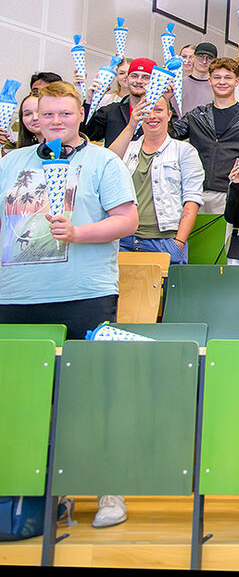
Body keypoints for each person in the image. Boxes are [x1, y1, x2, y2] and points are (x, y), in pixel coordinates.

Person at [0, 83, 137, 529]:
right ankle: (40, 495)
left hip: (83, 293)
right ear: (34, 119)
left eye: (64, 113)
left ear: (81, 114)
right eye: (46, 115)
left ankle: (107, 488)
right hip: (17, 296)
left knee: (94, 396)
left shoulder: (103, 161)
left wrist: (77, 233)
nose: (55, 121)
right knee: (26, 402)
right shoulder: (11, 163)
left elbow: (127, 220)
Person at [169, 58, 239, 264]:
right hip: (197, 192)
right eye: (217, 77)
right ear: (209, 81)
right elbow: (171, 135)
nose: (222, 82)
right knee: (197, 251)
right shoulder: (196, 115)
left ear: (237, 81)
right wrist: (166, 100)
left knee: (224, 255)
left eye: (228, 77)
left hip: (234, 194)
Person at [112, 95, 203, 265]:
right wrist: (132, 125)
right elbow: (107, 163)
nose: (152, 116)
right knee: (125, 292)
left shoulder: (184, 151)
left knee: (167, 292)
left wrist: (179, 243)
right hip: (124, 240)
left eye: (159, 110)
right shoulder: (128, 148)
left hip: (165, 242)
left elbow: (192, 200)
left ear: (169, 115)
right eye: (147, 111)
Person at [87, 57, 156, 147]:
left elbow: (176, 135)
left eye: (146, 77)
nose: (139, 81)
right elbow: (87, 133)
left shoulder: (159, 113)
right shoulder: (111, 111)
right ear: (127, 79)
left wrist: (166, 98)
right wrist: (89, 101)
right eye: (134, 76)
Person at [181, 42, 218, 113]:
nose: (204, 61)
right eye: (200, 56)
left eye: (209, 58)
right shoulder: (179, 84)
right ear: (193, 57)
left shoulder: (218, 87)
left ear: (214, 62)